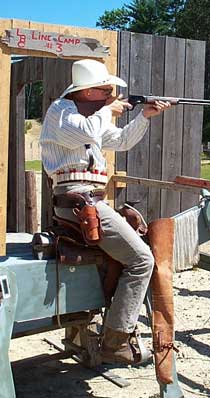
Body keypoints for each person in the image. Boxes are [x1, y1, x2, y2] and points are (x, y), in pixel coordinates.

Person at [40, 59, 171, 365]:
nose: (111, 94)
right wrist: (107, 111)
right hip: (79, 200)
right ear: (87, 93)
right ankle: (116, 339)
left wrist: (144, 117)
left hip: (89, 200)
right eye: (105, 89)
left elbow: (121, 141)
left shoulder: (91, 116)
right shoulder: (62, 111)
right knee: (142, 260)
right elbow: (82, 132)